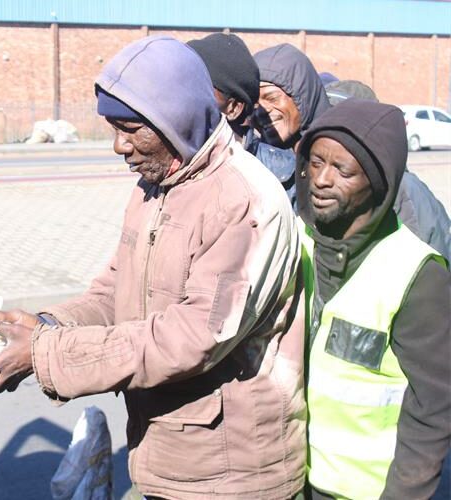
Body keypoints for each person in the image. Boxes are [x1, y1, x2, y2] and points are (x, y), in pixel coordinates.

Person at [0, 36, 306, 498]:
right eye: (112, 128)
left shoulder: (244, 200)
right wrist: (44, 326)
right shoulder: (157, 184)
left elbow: (192, 338)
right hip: (169, 457)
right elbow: (113, 293)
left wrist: (46, 355)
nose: (118, 146)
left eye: (130, 128)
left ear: (176, 119)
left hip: (232, 475)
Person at [296, 98, 451, 499]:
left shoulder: (417, 273)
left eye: (341, 169)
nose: (322, 180)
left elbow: (434, 410)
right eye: (315, 162)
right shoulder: (298, 246)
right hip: (296, 479)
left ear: (378, 180)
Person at [254, 46, 451, 260]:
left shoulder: (395, 184)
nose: (262, 110)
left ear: (302, 95)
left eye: (271, 97)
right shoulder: (262, 169)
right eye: (253, 102)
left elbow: (434, 263)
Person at [188, 33, 297, 206]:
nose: (184, 98)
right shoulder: (166, 168)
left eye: (199, 88)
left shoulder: (283, 178)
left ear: (233, 108)